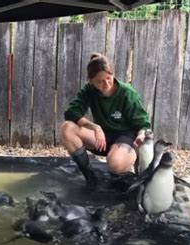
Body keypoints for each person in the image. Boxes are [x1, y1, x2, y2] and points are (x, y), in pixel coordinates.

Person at [60, 53, 151, 187]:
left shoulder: (127, 93)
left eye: (109, 78)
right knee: (67, 128)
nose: (106, 83)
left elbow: (143, 123)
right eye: (100, 81)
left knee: (115, 164)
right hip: (103, 136)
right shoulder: (89, 90)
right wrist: (95, 127)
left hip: (125, 137)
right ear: (91, 81)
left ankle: (126, 168)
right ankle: (90, 176)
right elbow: (71, 112)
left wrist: (142, 134)